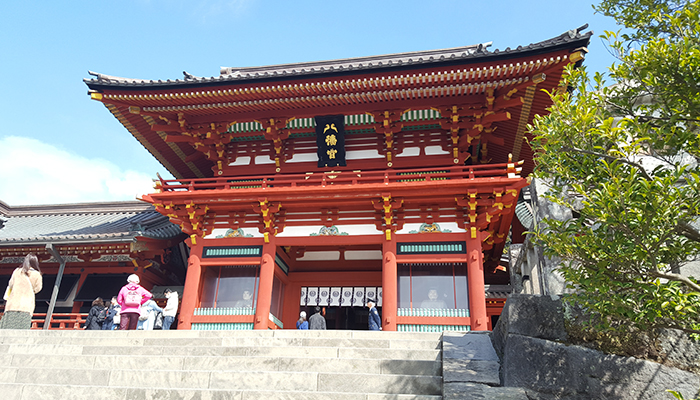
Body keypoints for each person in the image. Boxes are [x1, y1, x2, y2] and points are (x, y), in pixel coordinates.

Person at [0, 253, 43, 329]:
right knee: (22, 327)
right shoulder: (37, 274)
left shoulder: (17, 271)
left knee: (8, 326)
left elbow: (11, 284)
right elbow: (38, 288)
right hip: (26, 304)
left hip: (13, 303)